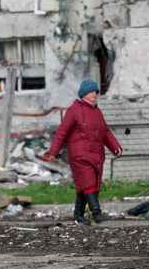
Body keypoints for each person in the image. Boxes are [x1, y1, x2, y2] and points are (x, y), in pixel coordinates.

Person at [45, 79, 122, 224]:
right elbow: (62, 132)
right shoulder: (74, 110)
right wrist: (53, 151)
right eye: (92, 91)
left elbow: (105, 132)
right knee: (88, 184)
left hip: (96, 155)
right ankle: (96, 213)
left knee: (86, 186)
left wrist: (115, 146)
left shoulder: (97, 111)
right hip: (79, 155)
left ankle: (78, 215)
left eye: (96, 92)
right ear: (84, 93)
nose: (95, 94)